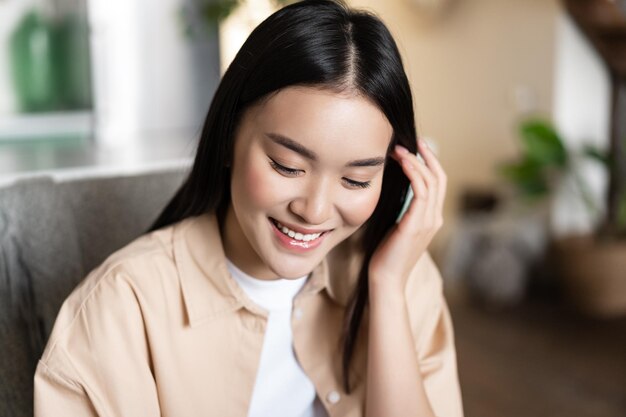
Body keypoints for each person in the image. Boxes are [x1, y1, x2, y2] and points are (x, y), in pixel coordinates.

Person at [34, 1, 463, 416]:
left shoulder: (402, 275)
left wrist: (386, 288)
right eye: (287, 165)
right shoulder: (120, 308)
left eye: (356, 180)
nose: (314, 211)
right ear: (228, 139)